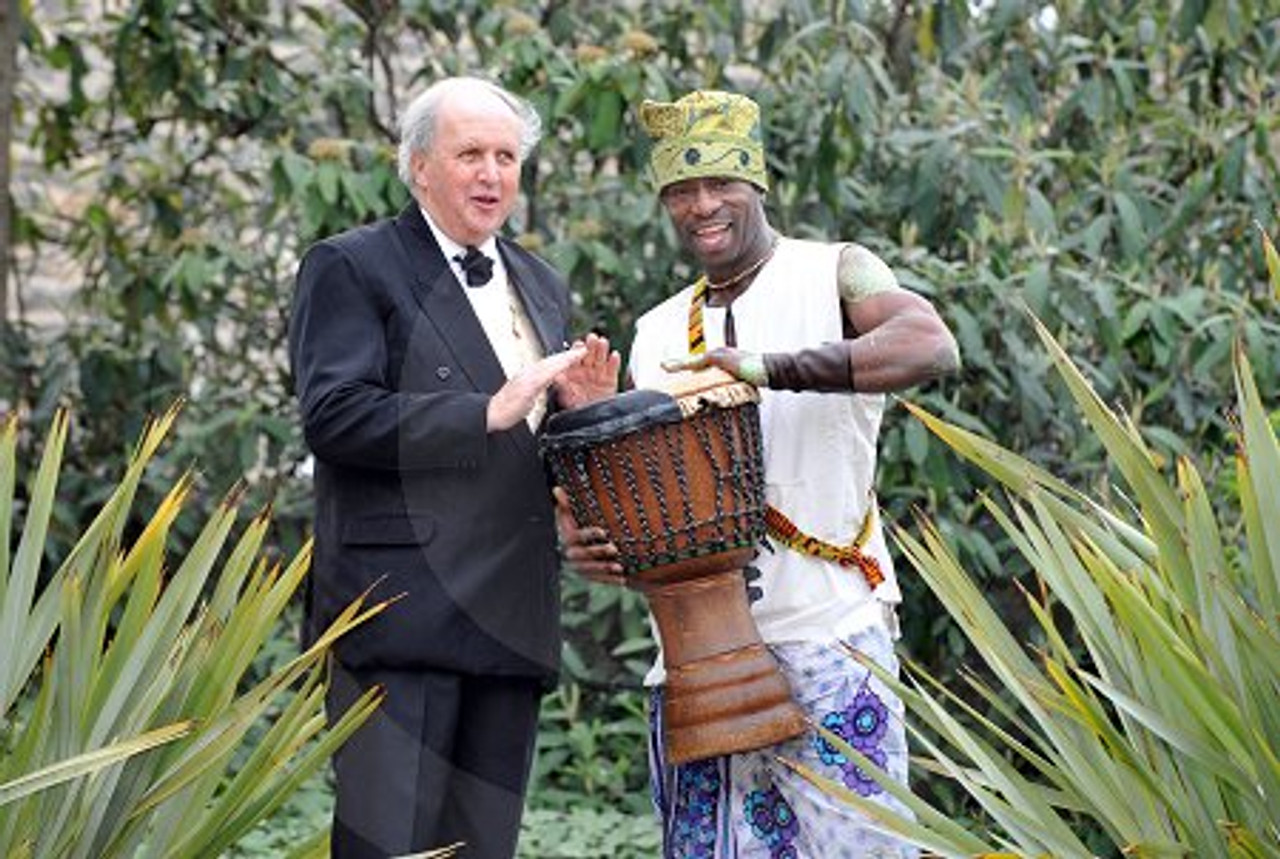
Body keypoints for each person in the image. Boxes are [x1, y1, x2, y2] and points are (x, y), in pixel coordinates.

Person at [556, 89, 959, 857]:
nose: (702, 204)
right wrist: (590, 490)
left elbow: (928, 345)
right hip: (697, 656)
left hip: (829, 633)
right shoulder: (656, 329)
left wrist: (766, 367)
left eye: (721, 184)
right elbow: (651, 506)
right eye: (681, 189)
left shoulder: (837, 271)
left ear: (757, 184)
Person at [288, 76, 619, 858]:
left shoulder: (541, 281)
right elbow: (332, 416)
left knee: (484, 850)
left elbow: (532, 445)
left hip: (512, 618)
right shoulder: (351, 264)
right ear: (417, 166)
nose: (491, 174)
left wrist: (584, 413)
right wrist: (482, 408)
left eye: (506, 157)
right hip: (402, 614)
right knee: (388, 849)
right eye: (470, 153)